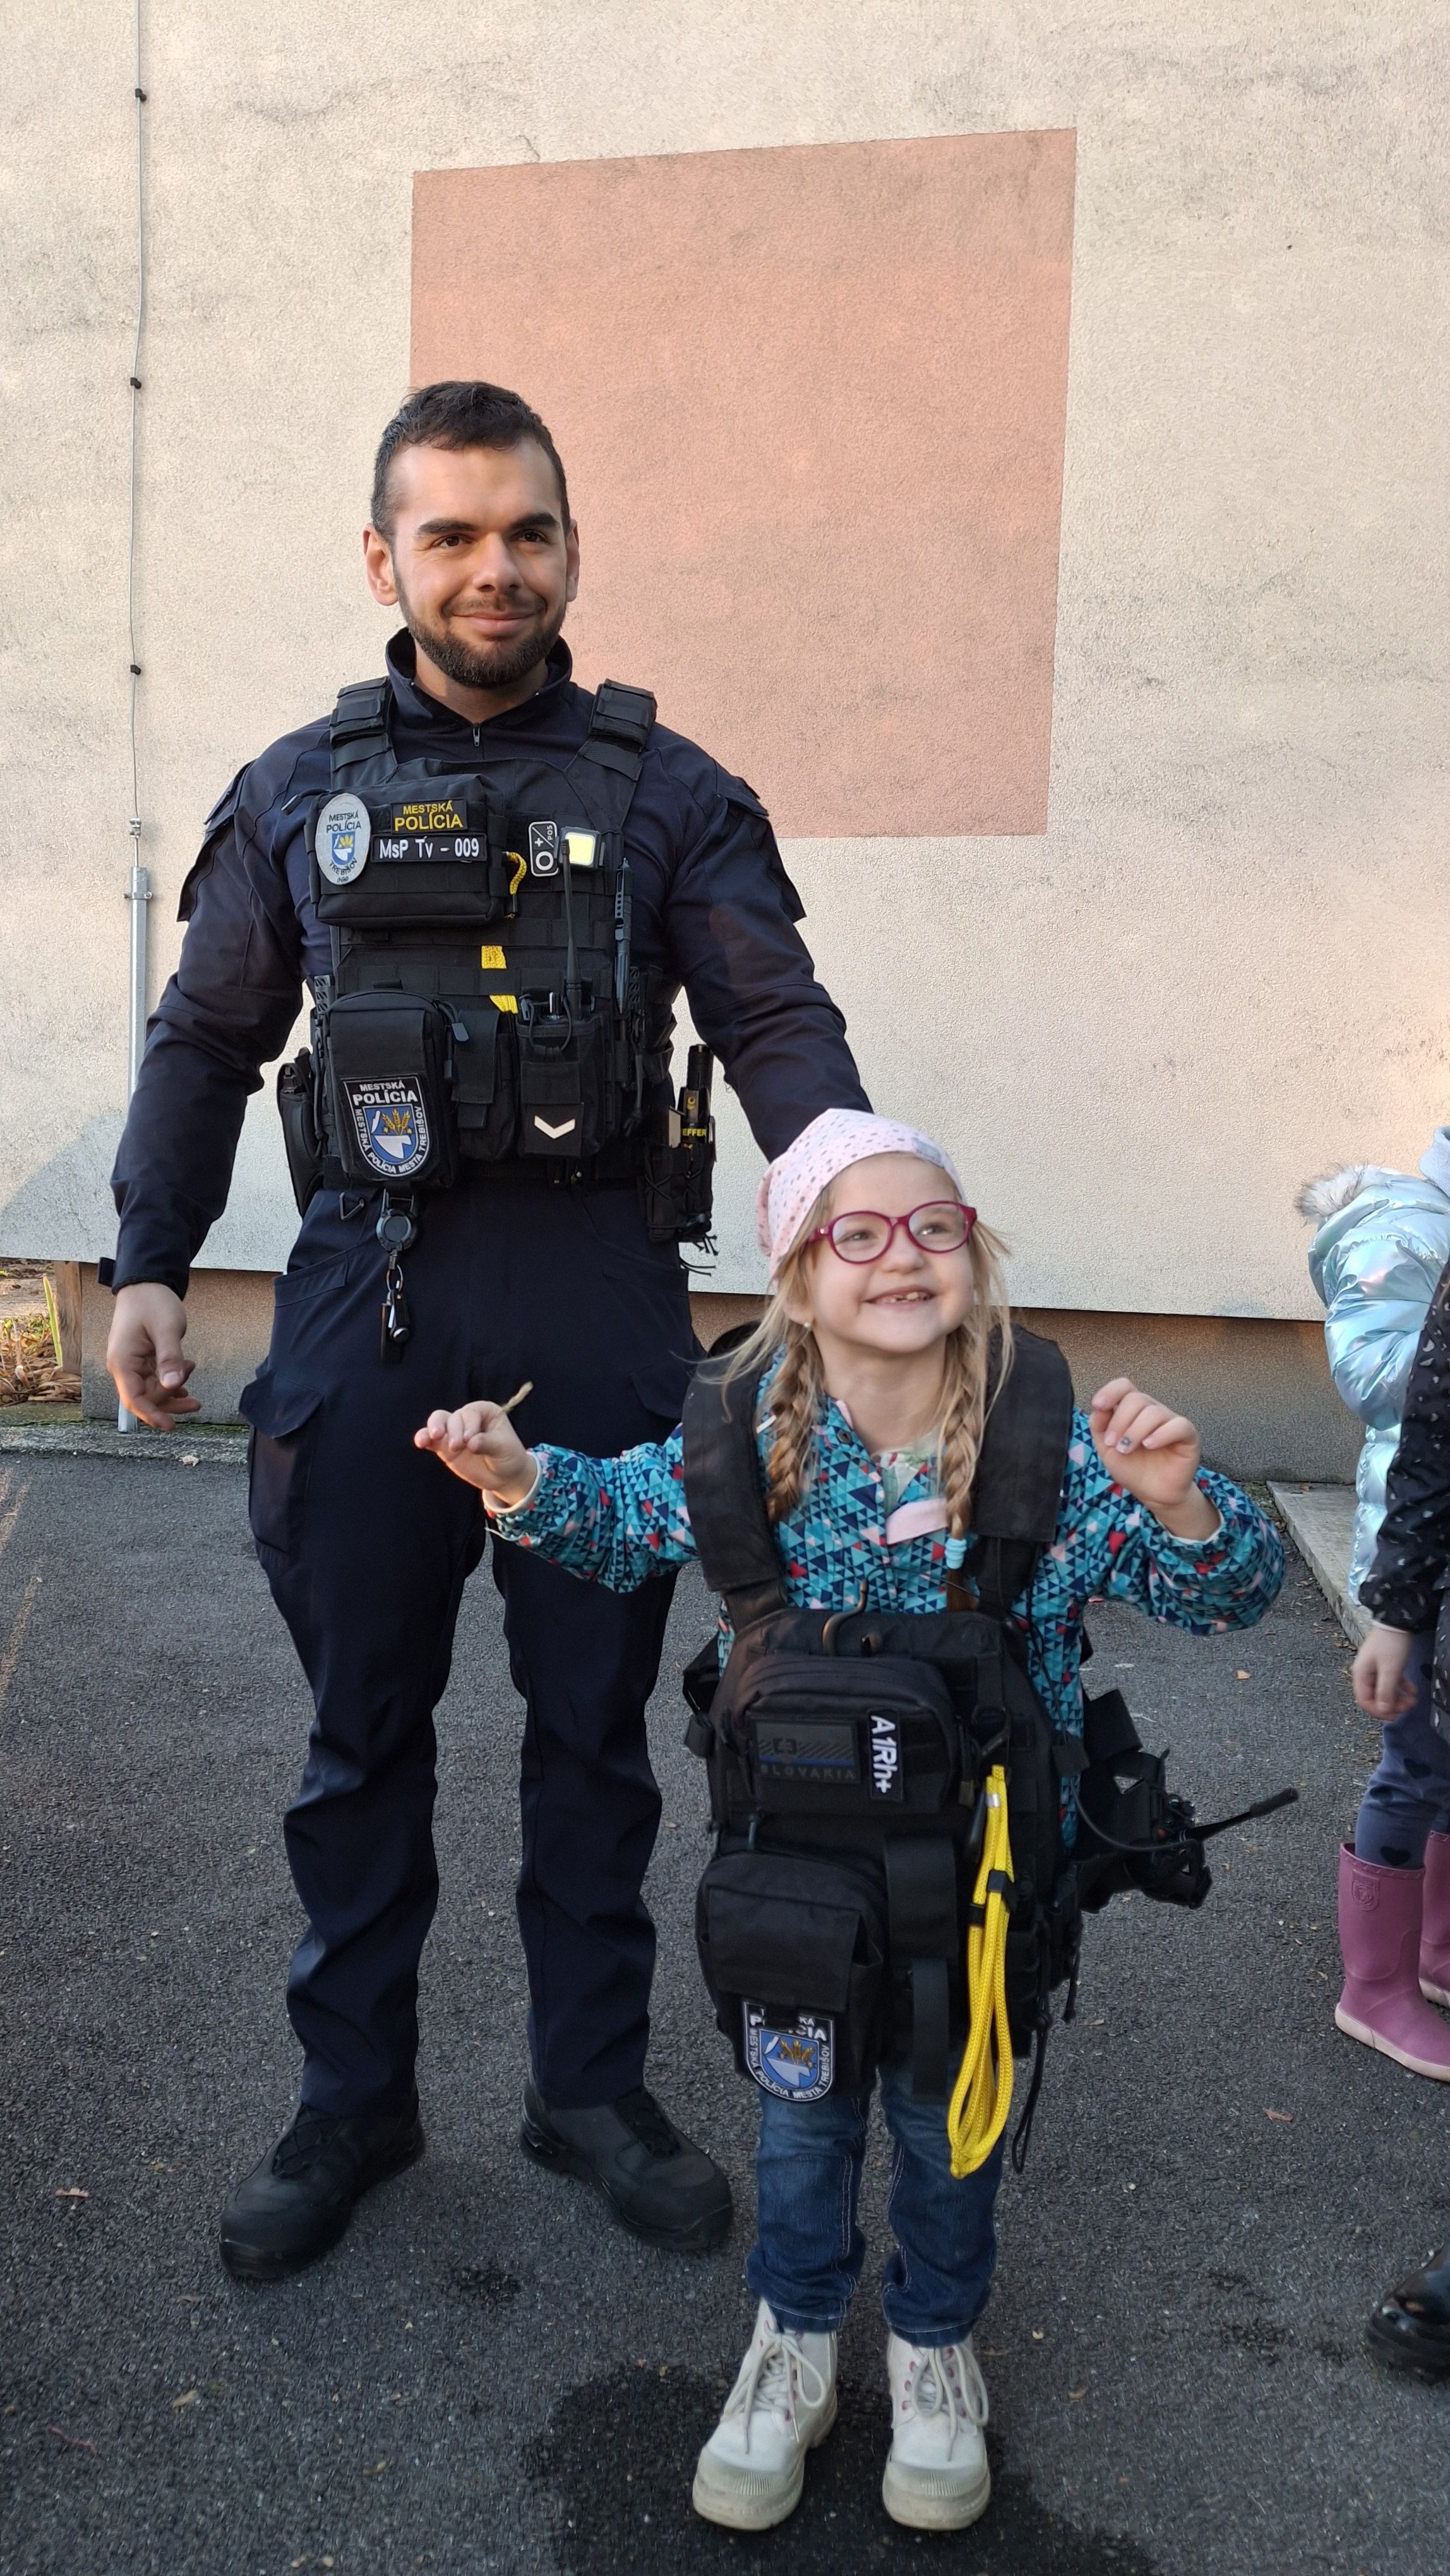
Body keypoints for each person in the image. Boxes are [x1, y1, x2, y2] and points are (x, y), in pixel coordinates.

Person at [104, 380, 870, 2281]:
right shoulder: (297, 791)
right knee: (358, 1735)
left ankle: (586, 2092)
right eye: (448, 535)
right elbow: (203, 1039)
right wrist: (147, 1258)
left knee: (593, 1734)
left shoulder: (667, 792)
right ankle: (351, 2098)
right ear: (384, 561)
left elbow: (777, 1022)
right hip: (364, 1302)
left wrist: (856, 1225)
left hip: (597, 1302)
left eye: (526, 531)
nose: (492, 568)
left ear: (572, 550)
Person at [416, 1109, 1283, 2534]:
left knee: (949, 2121)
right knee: (801, 2116)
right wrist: (515, 1477)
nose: (900, 1256)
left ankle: (933, 2343)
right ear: (799, 1274)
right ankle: (794, 2337)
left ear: (973, 1259)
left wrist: (1183, 1505)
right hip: (795, 1877)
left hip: (986, 1876)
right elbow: (619, 1520)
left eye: (934, 1227)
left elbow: (1229, 1595)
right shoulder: (737, 1438)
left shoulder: (1050, 1452)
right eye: (857, 1233)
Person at [1300, 1140, 1450, 2077]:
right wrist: (1398, 1611)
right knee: (1416, 1762)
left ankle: (1435, 1948)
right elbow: (1385, 1386)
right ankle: (1376, 1988)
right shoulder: (1400, 1231)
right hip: (1417, 1552)